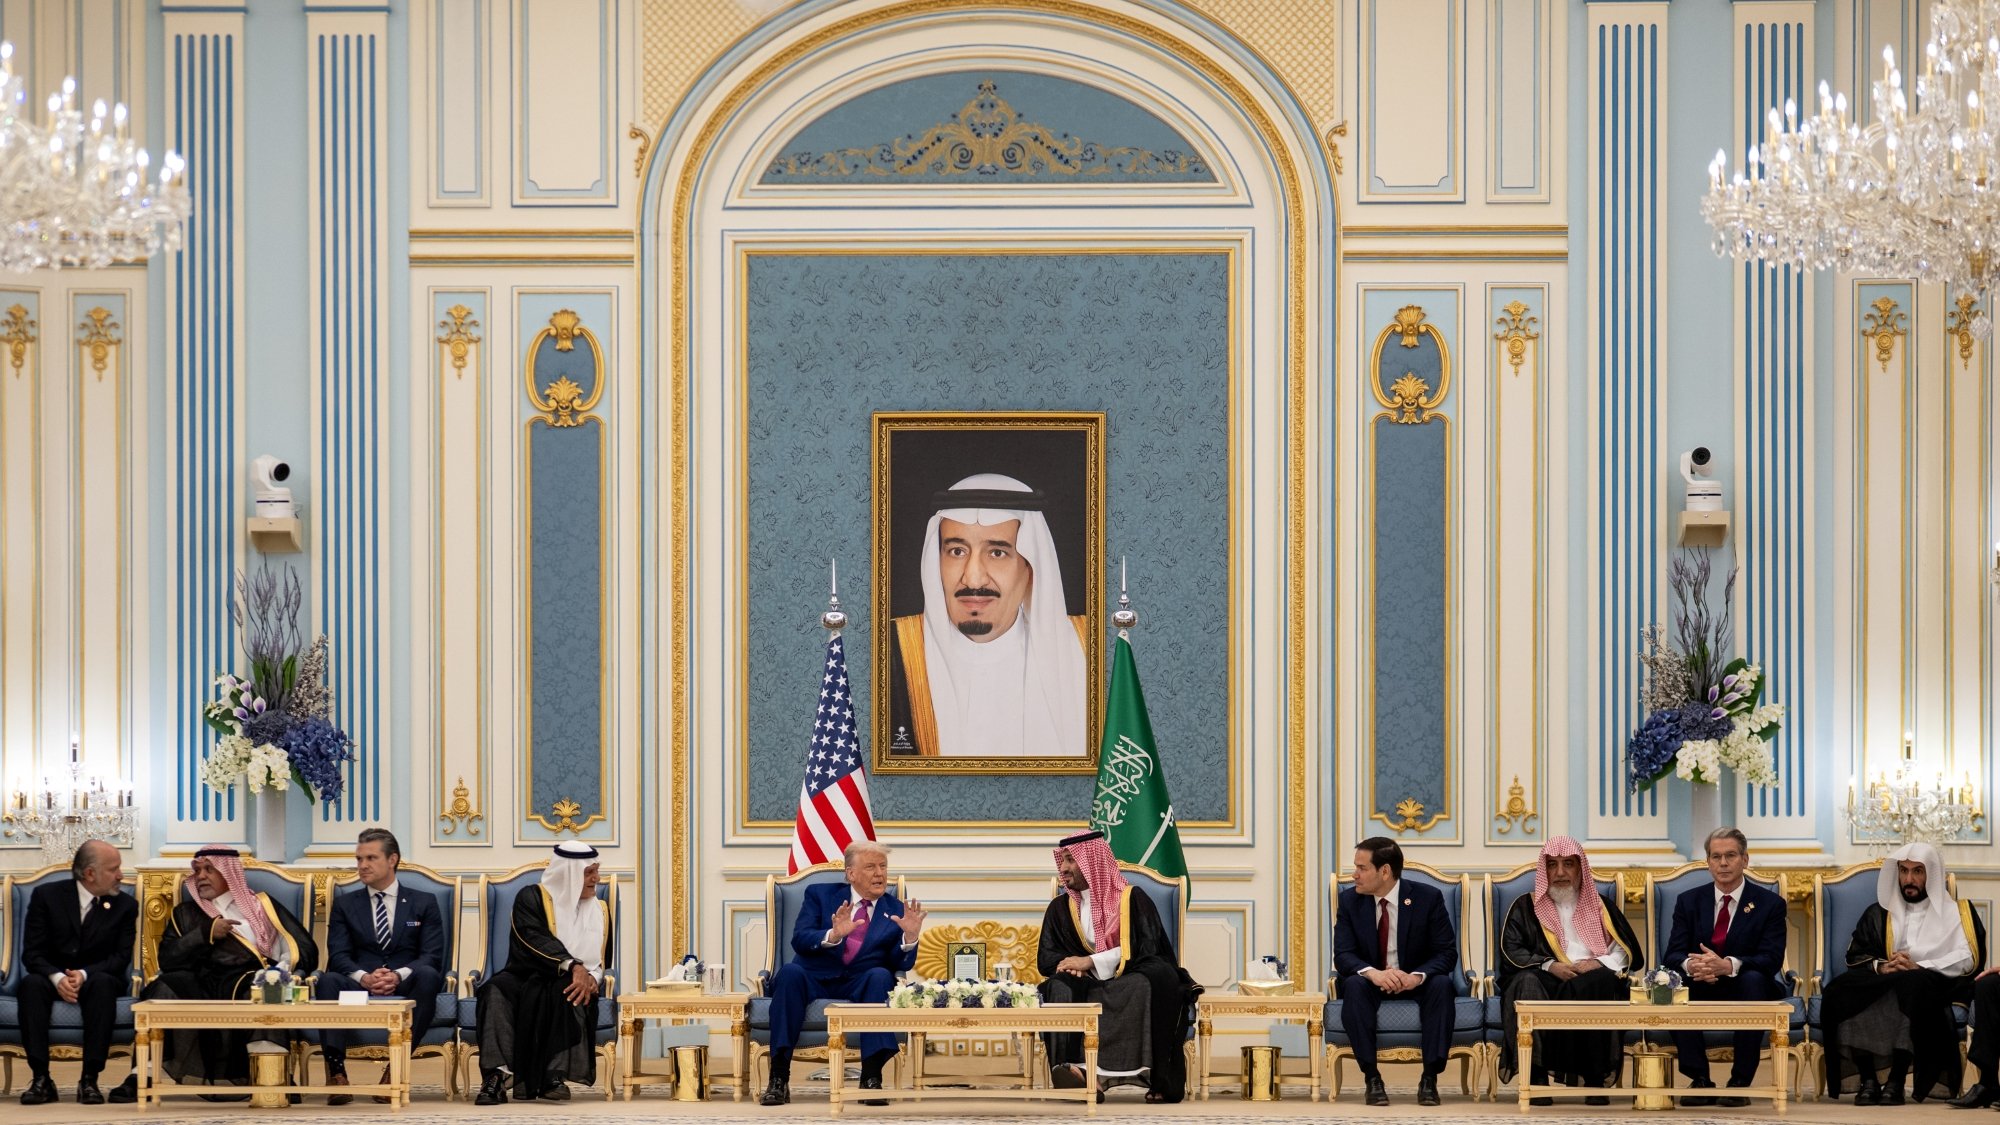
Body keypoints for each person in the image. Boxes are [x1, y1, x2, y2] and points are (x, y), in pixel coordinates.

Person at [885, 473, 1087, 758]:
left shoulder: (1089, 653)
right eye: (956, 551)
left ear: (1031, 567)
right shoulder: (888, 654)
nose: (974, 578)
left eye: (997, 553)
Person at [1036, 831, 1199, 1103]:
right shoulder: (1060, 907)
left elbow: (1149, 948)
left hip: (1129, 976)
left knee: (1150, 981)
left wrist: (1091, 961)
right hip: (1083, 981)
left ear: (1092, 861)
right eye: (1061, 861)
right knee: (1058, 985)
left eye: (1070, 860)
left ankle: (1155, 1076)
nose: (1063, 869)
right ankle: (1077, 1073)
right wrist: (1071, 966)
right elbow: (1047, 958)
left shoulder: (1132, 898)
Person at [760, 839, 925, 1107]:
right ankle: (779, 1078)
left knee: (881, 976)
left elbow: (900, 963)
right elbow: (800, 939)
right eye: (871, 866)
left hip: (860, 982)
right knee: (790, 973)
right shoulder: (820, 895)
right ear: (851, 873)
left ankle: (871, 1078)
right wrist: (833, 934)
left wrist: (910, 936)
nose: (880, 874)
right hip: (814, 976)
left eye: (883, 866)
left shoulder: (895, 909)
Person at [1820, 842, 1984, 1103]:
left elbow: (1968, 958)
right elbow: (1856, 954)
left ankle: (1896, 1080)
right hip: (1887, 977)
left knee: (1912, 984)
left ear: (1932, 874)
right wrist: (1882, 966)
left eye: (1918, 871)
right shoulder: (1879, 913)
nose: (1909, 879)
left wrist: (1921, 966)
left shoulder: (1958, 912)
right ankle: (1869, 1079)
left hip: (1932, 980)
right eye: (1904, 871)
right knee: (1839, 990)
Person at [143, 845, 317, 1090]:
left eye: (209, 870)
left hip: (249, 979)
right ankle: (141, 1076)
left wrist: (283, 970)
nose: (200, 876)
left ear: (229, 873)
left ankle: (272, 1078)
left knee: (267, 991)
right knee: (162, 987)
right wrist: (206, 933)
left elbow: (302, 947)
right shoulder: (186, 913)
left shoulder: (261, 906)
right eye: (197, 871)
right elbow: (168, 959)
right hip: (201, 984)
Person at [1495, 835, 1641, 1105]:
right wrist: (1551, 965)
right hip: (1546, 978)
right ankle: (1536, 1075)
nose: (1560, 873)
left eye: (1568, 864)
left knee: (1599, 982)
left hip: (1592, 979)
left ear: (1580, 868)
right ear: (1544, 870)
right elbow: (1512, 950)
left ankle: (1594, 1077)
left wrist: (1597, 963)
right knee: (1527, 982)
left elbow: (1624, 951)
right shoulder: (1525, 907)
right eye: (1553, 865)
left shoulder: (1600, 907)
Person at [473, 841, 614, 1105]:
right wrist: (574, 966)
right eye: (589, 872)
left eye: (596, 870)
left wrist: (592, 979)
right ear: (568, 874)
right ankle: (494, 1078)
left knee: (567, 990)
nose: (597, 878)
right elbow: (533, 939)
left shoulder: (600, 910)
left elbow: (602, 959)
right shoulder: (531, 897)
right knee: (494, 991)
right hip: (524, 972)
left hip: (568, 980)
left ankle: (553, 1074)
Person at [315, 828, 446, 1105]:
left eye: (371, 858)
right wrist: (364, 977)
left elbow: (432, 954)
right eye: (359, 858)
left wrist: (397, 976)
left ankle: (395, 1069)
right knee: (327, 981)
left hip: (407, 981)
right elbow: (338, 954)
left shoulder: (424, 902)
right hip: (360, 986)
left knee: (429, 975)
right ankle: (337, 1074)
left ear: (392, 859)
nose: (362, 865)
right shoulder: (344, 904)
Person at [1663, 826, 1788, 1107]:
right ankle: (1700, 1080)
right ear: (1707, 862)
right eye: (1716, 856)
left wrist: (1727, 965)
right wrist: (1693, 965)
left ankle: (1740, 1081)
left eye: (1730, 855)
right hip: (1701, 981)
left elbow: (1771, 959)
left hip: (1746, 983)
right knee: (1675, 985)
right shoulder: (1689, 901)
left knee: (1754, 980)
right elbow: (1672, 954)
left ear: (1745, 859)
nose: (1723, 863)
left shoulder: (1770, 904)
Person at [1332, 836, 1458, 1106]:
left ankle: (1429, 1079)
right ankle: (1372, 1078)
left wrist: (1415, 977)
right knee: (1353, 986)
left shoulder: (1427, 898)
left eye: (1362, 868)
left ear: (1385, 871)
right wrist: (1373, 973)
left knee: (1441, 986)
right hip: (1372, 981)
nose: (1354, 874)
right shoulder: (1349, 901)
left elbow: (1446, 953)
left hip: (1414, 979)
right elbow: (1343, 954)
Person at [16, 839, 138, 1106]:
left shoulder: (125, 906)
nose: (121, 875)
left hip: (98, 976)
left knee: (105, 983)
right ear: (90, 874)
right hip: (51, 976)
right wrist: (58, 977)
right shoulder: (47, 896)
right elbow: (32, 953)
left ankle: (89, 1079)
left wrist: (83, 974)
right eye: (113, 869)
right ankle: (41, 1079)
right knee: (31, 985)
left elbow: (119, 959)